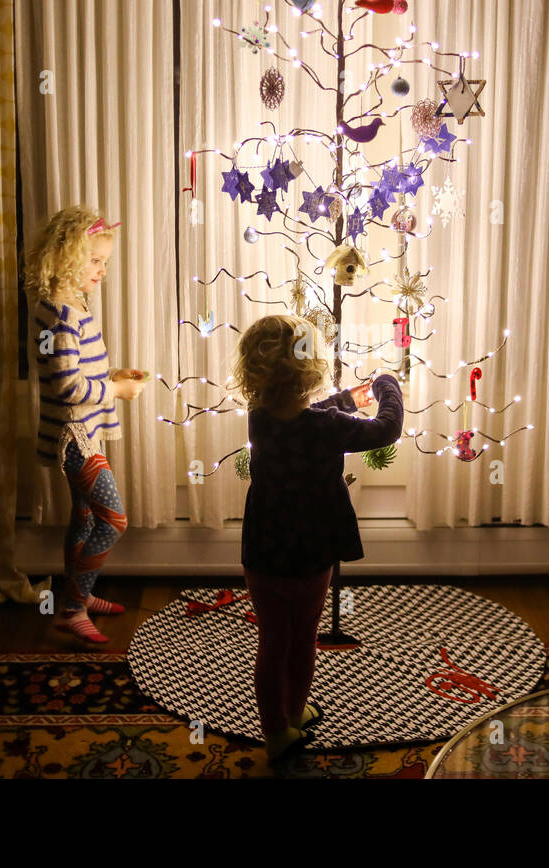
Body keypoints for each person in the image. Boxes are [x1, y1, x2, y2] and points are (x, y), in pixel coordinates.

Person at [229, 314, 404, 761]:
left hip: (263, 551)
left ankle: (277, 730)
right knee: (304, 635)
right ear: (310, 370)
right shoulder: (328, 429)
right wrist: (386, 387)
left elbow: (308, 418)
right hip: (311, 551)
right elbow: (386, 429)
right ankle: (292, 714)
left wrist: (346, 399)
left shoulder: (260, 418)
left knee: (272, 639)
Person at [22, 205, 147, 645]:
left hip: (84, 431)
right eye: (95, 261)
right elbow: (68, 388)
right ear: (64, 260)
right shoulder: (59, 316)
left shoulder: (71, 306)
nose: (102, 270)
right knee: (113, 519)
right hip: (75, 438)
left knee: (84, 514)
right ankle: (72, 607)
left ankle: (77, 593)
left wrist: (113, 378)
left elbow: (78, 375)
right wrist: (114, 392)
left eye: (104, 262)